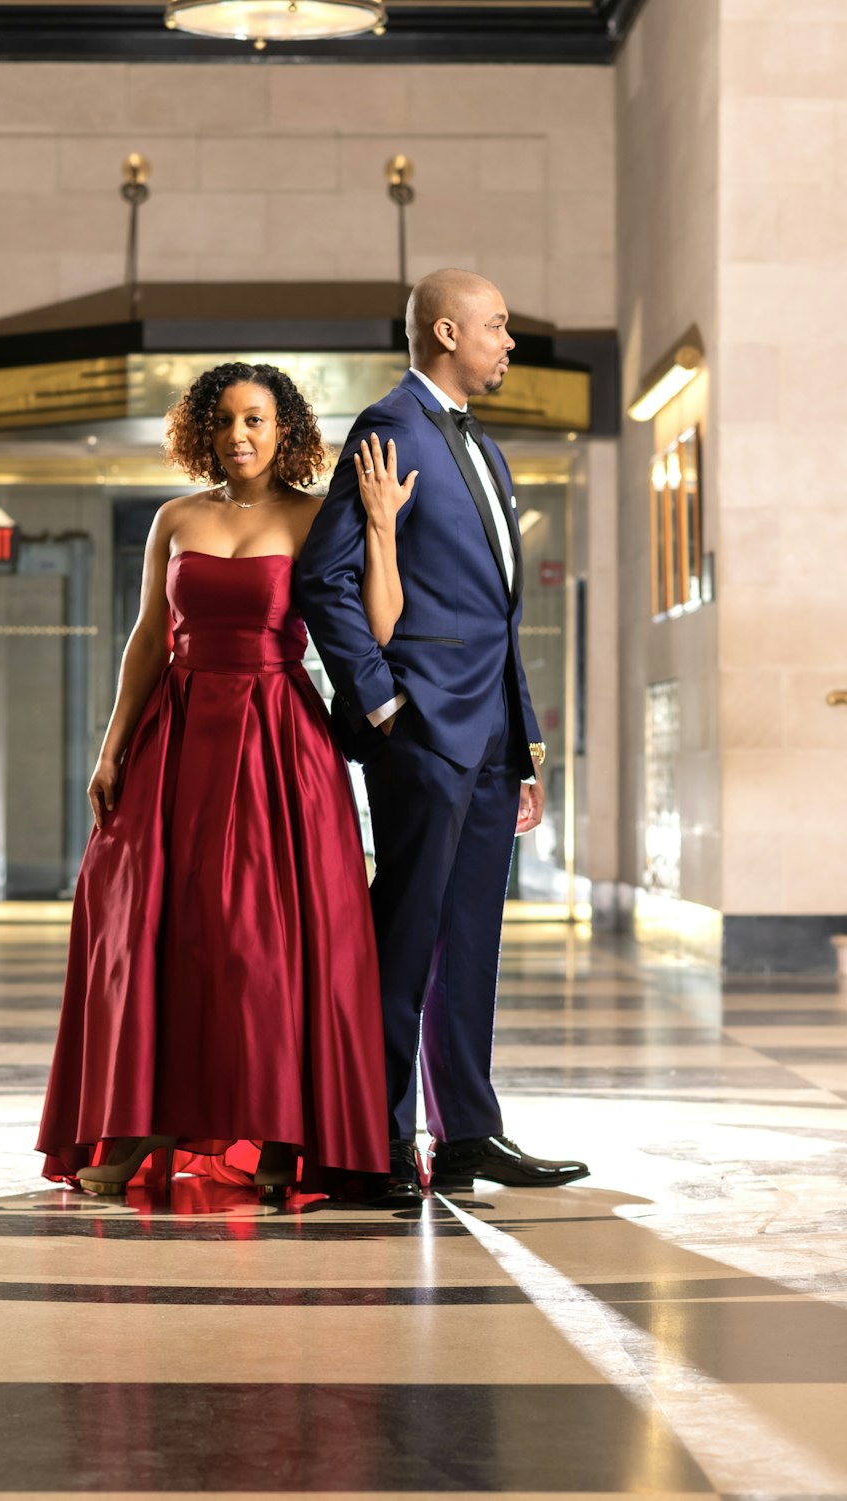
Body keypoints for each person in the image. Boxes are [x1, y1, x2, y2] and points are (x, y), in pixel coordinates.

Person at [36, 362, 395, 1200]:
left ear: (284, 429)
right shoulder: (174, 517)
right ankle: (142, 1121)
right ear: (206, 428)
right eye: (227, 419)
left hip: (278, 737)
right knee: (155, 925)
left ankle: (279, 1134)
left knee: (264, 939)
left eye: (257, 420)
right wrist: (112, 744)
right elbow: (148, 638)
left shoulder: (315, 516)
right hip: (179, 734)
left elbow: (375, 628)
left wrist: (378, 528)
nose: (240, 434)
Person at [296, 269, 590, 1204]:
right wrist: (381, 703)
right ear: (448, 331)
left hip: (490, 739)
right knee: (407, 940)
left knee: (470, 944)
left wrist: (527, 744)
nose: (510, 343)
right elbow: (324, 580)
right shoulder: (389, 427)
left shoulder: (487, 450)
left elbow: (501, 617)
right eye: (499, 327)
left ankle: (467, 1133)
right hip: (422, 734)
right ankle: (375, 1144)